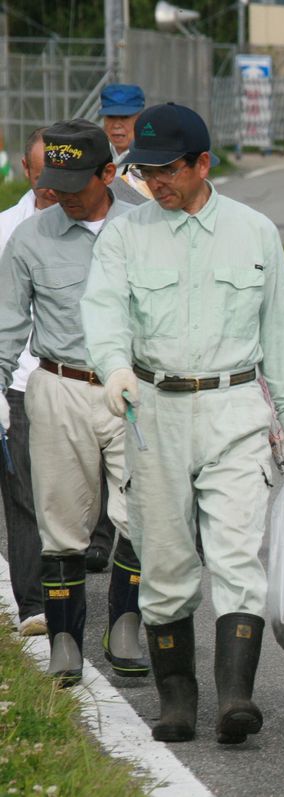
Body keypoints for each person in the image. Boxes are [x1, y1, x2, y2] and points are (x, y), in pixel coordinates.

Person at [81, 102, 284, 743]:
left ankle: (236, 699)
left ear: (202, 163)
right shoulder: (128, 237)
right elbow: (103, 310)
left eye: (166, 170)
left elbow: (280, 333)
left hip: (234, 409)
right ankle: (177, 702)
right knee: (165, 564)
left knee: (239, 556)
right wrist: (114, 369)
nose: (154, 183)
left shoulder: (254, 232)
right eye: (145, 171)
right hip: (152, 411)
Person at [0, 119, 144, 684]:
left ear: (109, 173)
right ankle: (65, 637)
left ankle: (126, 623)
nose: (59, 195)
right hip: (59, 386)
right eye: (53, 182)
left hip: (131, 389)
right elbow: (8, 325)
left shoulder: (145, 229)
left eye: (75, 183)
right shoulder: (30, 238)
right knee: (60, 518)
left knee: (142, 511)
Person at [0, 127, 55, 638]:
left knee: (73, 498)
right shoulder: (4, 230)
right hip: (16, 379)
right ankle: (34, 603)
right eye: (41, 179)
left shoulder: (89, 228)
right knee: (21, 494)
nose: (50, 190)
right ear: (26, 169)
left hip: (71, 381)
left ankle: (72, 582)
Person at [98, 83, 152, 204]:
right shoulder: (94, 154)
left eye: (125, 117)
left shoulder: (153, 158)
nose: (117, 125)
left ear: (141, 118)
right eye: (111, 117)